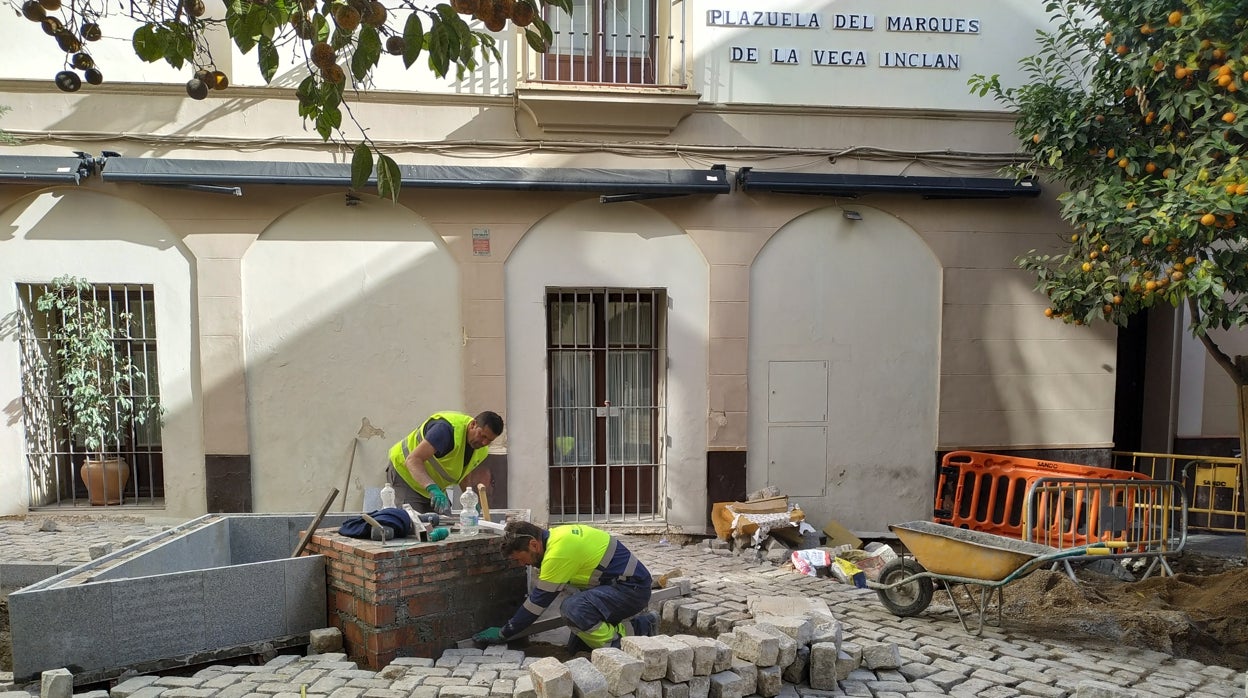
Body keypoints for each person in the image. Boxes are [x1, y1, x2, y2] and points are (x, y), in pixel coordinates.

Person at [474, 521, 658, 650]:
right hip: (620, 586)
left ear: (533, 544)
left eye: (520, 558)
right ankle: (642, 626)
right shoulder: (556, 536)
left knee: (573, 609)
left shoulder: (557, 554)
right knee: (576, 646)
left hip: (632, 590)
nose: (523, 564)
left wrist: (505, 632)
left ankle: (617, 648)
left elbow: (536, 604)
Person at [386, 410, 504, 514]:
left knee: (444, 523)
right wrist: (432, 488)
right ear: (473, 424)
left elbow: (463, 474)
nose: (484, 443)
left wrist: (470, 500)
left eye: (489, 440)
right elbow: (413, 460)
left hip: (433, 486)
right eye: (482, 436)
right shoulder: (445, 430)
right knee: (414, 523)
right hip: (406, 474)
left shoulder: (480, 449)